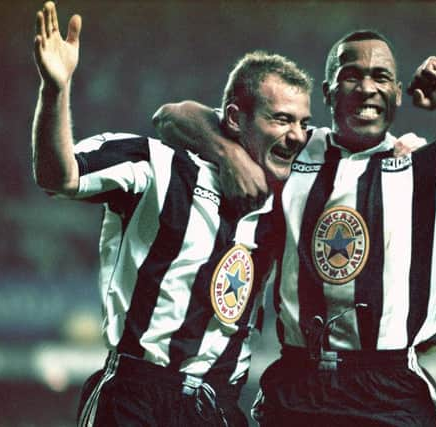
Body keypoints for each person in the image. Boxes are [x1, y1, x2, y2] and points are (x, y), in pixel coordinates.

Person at [153, 30, 436, 426]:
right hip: (297, 385)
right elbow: (173, 116)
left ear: (397, 94)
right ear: (328, 92)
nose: (367, 88)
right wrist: (230, 157)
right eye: (351, 75)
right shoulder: (292, 149)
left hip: (390, 390)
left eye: (380, 77)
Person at [31, 2, 313, 426]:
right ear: (235, 119)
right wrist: (55, 90)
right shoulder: (157, 166)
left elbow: (178, 113)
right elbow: (60, 176)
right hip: (135, 396)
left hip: (215, 405)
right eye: (282, 119)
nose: (297, 136)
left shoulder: (289, 201)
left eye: (304, 123)